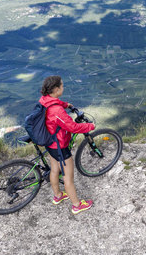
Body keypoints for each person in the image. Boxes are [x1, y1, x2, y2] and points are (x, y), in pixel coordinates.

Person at [39, 75, 95, 214]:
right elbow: (73, 128)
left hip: (50, 143)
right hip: (60, 147)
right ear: (57, 89)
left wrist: (66, 105)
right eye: (62, 86)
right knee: (68, 177)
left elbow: (55, 103)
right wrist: (89, 127)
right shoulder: (57, 111)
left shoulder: (44, 100)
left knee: (54, 169)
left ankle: (58, 196)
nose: (64, 87)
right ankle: (76, 205)